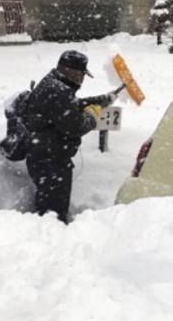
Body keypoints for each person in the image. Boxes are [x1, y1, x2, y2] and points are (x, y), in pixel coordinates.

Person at [23, 50, 123, 224]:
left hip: (45, 157)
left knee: (48, 209)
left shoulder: (54, 85)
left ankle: (47, 232)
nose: (82, 79)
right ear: (71, 71)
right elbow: (75, 127)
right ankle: (52, 240)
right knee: (53, 214)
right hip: (50, 162)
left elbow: (74, 105)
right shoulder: (59, 91)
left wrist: (103, 99)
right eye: (82, 75)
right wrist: (92, 117)